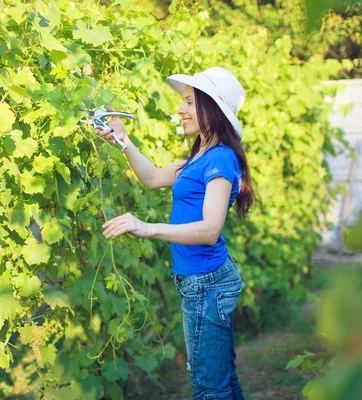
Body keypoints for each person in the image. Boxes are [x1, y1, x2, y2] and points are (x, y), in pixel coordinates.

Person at [95, 66, 256, 400]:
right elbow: (152, 177)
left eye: (188, 103)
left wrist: (146, 227)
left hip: (207, 283)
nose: (180, 110)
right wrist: (122, 139)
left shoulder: (221, 160)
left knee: (209, 388)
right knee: (223, 382)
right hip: (204, 282)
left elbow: (210, 230)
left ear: (212, 109)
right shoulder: (200, 156)